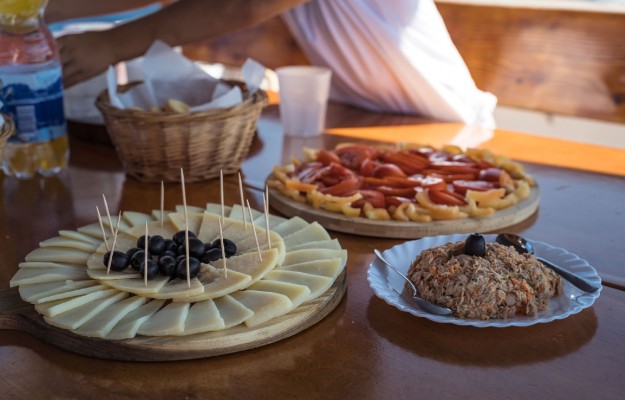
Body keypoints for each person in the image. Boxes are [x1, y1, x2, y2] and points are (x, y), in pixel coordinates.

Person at [46, 0, 496, 127]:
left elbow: (241, 7)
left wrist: (110, 45)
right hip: (346, 119)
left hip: (440, 127)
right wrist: (37, 8)